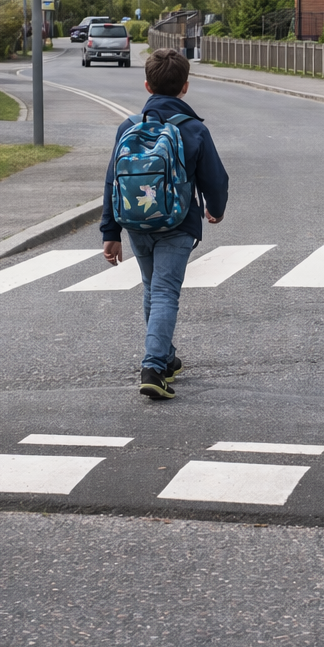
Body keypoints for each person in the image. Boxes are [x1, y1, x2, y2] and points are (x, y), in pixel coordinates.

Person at [100, 48, 229, 400]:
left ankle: (166, 357)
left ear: (147, 85)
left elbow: (112, 181)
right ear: (185, 86)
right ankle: (154, 367)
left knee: (152, 288)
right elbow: (215, 179)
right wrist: (215, 209)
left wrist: (111, 232)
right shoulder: (193, 129)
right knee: (164, 292)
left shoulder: (128, 127)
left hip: (136, 223)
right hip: (178, 223)